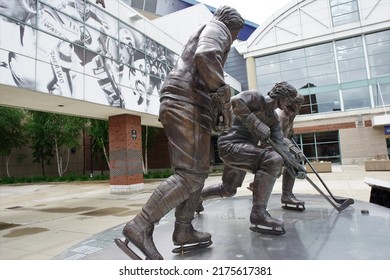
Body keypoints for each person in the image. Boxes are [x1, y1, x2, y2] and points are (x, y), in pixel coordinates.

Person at [115, 6, 244, 260]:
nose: (235, 38)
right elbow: (206, 55)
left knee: (198, 173)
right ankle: (140, 225)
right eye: (237, 33)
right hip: (187, 101)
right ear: (231, 25)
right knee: (189, 175)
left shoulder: (212, 29)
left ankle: (183, 230)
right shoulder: (218, 28)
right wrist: (223, 98)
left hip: (189, 102)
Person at [199, 82, 306, 235]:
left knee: (228, 189)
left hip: (244, 151)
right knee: (273, 160)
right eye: (289, 99)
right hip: (230, 145)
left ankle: (197, 198)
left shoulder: (274, 119)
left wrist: (294, 165)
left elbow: (280, 145)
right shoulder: (256, 97)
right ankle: (258, 213)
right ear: (282, 96)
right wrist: (255, 124)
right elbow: (236, 102)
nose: (289, 103)